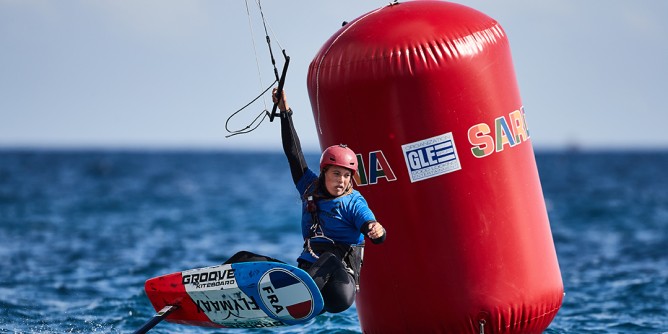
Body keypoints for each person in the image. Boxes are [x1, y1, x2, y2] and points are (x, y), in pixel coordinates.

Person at [272, 88, 386, 313]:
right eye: (336, 174)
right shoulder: (309, 187)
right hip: (310, 276)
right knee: (251, 260)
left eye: (346, 176)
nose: (342, 181)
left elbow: (371, 226)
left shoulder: (354, 203)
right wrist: (284, 111)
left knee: (330, 259)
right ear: (324, 173)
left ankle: (291, 300)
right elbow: (294, 155)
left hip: (339, 288)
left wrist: (376, 230)